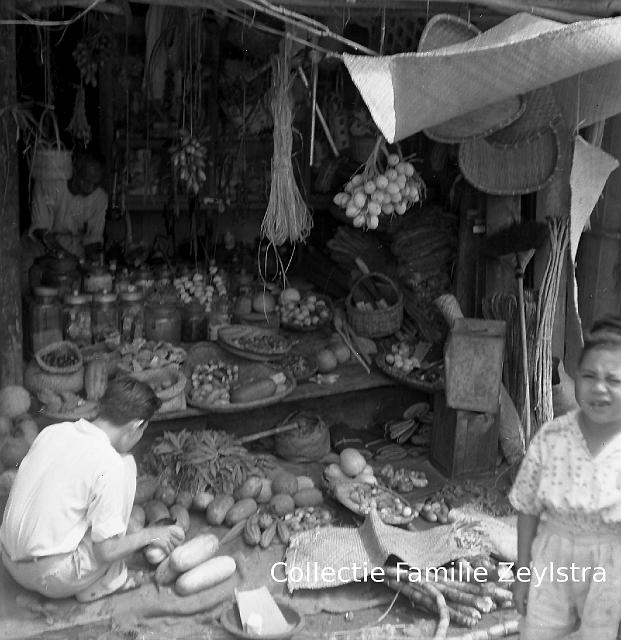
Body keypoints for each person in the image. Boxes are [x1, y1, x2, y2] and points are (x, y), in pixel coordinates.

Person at [0, 377, 185, 602]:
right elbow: (105, 552)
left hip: (8, 559)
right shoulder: (111, 463)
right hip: (50, 578)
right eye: (143, 429)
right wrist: (151, 535)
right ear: (135, 426)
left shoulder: (53, 431)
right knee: (126, 465)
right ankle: (109, 581)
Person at [509, 314, 621, 639]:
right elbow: (528, 509)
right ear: (577, 379)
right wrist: (523, 573)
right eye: (589, 376)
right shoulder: (552, 436)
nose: (599, 388)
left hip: (609, 564)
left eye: (613, 379)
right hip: (552, 558)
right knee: (538, 630)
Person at [21, 151, 109, 291]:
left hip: (73, 255)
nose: (90, 188)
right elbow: (40, 229)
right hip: (37, 251)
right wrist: (65, 256)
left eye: (96, 184)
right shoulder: (48, 183)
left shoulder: (100, 199)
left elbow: (93, 239)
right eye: (86, 181)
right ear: (75, 168)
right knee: (31, 297)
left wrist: (94, 262)